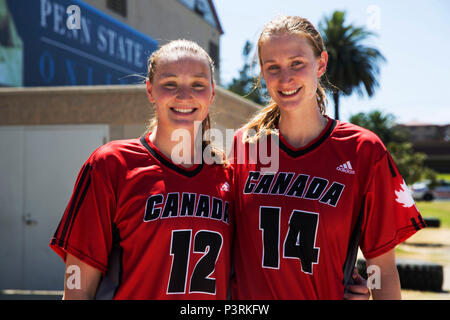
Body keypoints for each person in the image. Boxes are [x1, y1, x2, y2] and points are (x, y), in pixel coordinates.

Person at [230, 15, 426, 300]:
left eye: (297, 63)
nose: (285, 78)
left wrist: (367, 286)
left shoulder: (363, 151)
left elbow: (381, 267)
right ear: (262, 72)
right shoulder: (242, 147)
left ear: (320, 64)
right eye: (273, 67)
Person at [50, 39, 234, 299]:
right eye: (170, 84)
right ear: (150, 90)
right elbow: (78, 289)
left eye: (198, 85)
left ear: (212, 93)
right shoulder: (111, 164)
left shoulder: (228, 176)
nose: (184, 95)